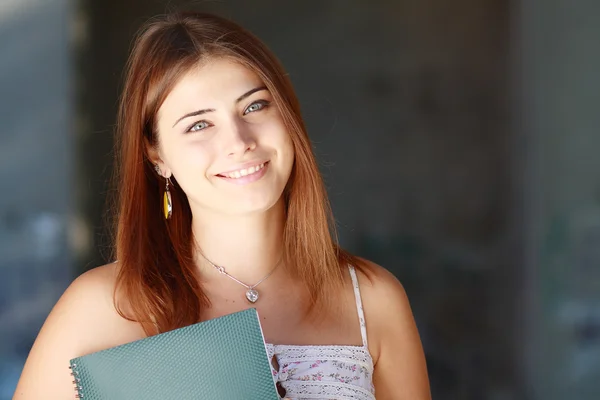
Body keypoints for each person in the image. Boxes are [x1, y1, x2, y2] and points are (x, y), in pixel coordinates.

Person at [13, 11, 430, 400]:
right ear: (157, 155)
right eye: (199, 124)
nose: (238, 141)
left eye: (254, 106)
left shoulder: (373, 300)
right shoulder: (100, 308)